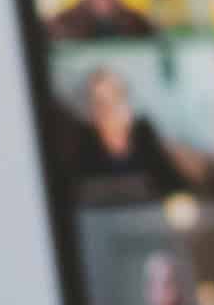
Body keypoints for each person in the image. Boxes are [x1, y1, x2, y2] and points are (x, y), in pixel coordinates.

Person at [70, 67, 193, 203]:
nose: (109, 109)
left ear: (126, 100)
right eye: (100, 103)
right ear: (90, 109)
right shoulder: (83, 143)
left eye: (115, 98)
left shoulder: (144, 134)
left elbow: (173, 186)